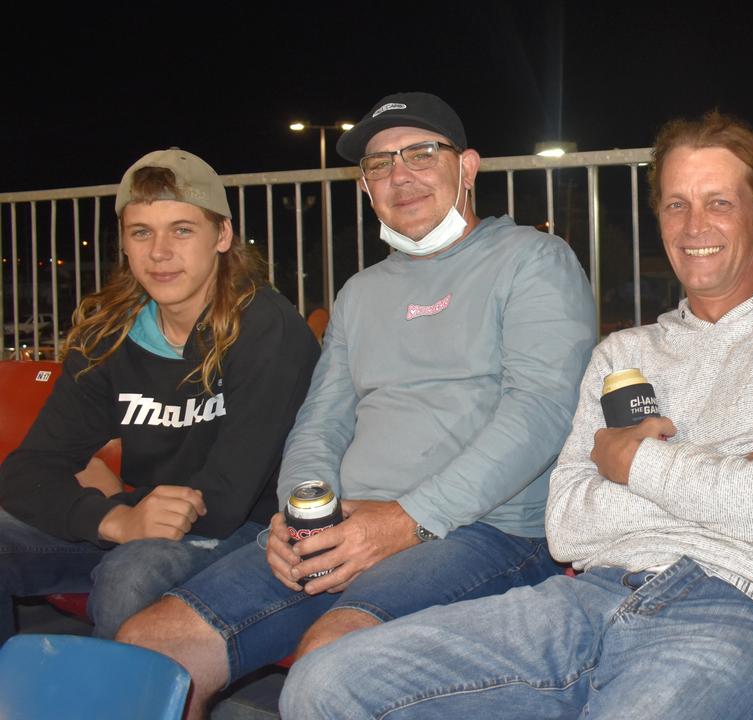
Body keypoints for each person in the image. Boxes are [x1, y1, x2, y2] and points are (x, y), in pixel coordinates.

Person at [278, 111, 753, 720]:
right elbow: (567, 524)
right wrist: (738, 476)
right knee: (325, 683)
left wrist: (635, 461)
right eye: (675, 205)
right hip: (590, 596)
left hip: (741, 607)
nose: (695, 225)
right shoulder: (624, 352)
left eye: (719, 201)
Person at [116, 92, 596, 717]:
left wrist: (407, 518)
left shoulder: (534, 261)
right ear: (366, 186)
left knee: (332, 658)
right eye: (378, 164)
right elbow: (322, 419)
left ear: (468, 168)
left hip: (487, 531)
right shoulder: (361, 292)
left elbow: (541, 413)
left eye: (421, 153)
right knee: (148, 647)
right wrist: (302, 515)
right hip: (346, 526)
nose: (400, 174)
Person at [0, 148, 319, 642]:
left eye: (182, 230)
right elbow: (28, 470)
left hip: (248, 532)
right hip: (140, 524)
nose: (160, 252)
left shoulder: (266, 330)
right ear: (125, 244)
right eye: (141, 232)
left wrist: (128, 514)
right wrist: (113, 518)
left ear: (223, 236)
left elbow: (228, 497)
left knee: (132, 574)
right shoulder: (110, 336)